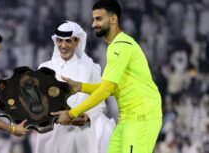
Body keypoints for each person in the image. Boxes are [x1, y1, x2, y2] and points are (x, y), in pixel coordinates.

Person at [52, 1, 163, 153]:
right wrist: (81, 87)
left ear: (113, 19)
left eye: (98, 19)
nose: (93, 24)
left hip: (141, 119)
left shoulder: (121, 46)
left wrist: (72, 114)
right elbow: (110, 87)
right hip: (127, 119)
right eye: (93, 19)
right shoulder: (115, 46)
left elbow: (105, 90)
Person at [35, 20, 115, 153]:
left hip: (80, 136)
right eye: (60, 41)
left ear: (77, 41)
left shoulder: (91, 68)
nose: (63, 45)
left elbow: (100, 101)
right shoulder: (44, 68)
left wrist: (87, 117)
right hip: (51, 137)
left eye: (68, 41)